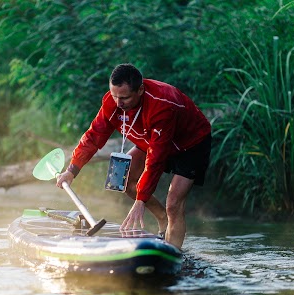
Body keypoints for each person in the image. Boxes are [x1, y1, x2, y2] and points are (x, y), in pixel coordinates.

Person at [56, 63, 211, 249]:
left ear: (140, 90)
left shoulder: (162, 105)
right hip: (151, 140)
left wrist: (141, 200)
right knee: (124, 180)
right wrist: (72, 170)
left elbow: (156, 159)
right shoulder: (112, 102)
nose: (118, 103)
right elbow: (93, 136)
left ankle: (173, 256)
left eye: (124, 98)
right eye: (114, 96)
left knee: (173, 204)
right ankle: (162, 219)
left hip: (190, 144)